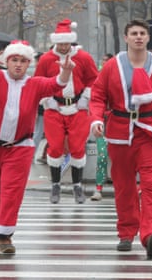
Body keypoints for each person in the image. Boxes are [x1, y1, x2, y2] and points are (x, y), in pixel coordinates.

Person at [90, 19, 152, 259]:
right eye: (134, 33)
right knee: (124, 186)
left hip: (150, 131)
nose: (139, 37)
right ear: (126, 37)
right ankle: (126, 232)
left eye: (143, 33)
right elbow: (98, 95)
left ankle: (151, 233)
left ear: (148, 38)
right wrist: (96, 119)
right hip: (120, 132)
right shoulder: (112, 66)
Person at [0, 40, 73, 254]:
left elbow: (56, 84)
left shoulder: (35, 84)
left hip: (20, 147)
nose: (18, 65)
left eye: (23, 61)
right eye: (14, 60)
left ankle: (5, 235)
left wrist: (65, 72)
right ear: (7, 62)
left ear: (28, 63)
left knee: (12, 191)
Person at [34, 18, 98, 204]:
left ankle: (77, 186)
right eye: (60, 43)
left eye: (66, 43)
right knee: (54, 148)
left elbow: (94, 79)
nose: (63, 46)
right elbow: (38, 82)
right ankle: (55, 185)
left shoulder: (83, 58)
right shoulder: (46, 59)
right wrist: (47, 100)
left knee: (78, 148)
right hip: (54, 108)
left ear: (71, 41)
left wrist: (86, 98)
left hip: (78, 108)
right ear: (55, 42)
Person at [91, 53, 113, 201]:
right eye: (103, 62)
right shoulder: (98, 80)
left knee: (123, 159)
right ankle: (98, 188)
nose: (105, 65)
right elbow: (95, 101)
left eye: (108, 62)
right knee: (102, 156)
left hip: (119, 124)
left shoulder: (121, 79)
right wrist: (96, 120)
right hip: (103, 123)